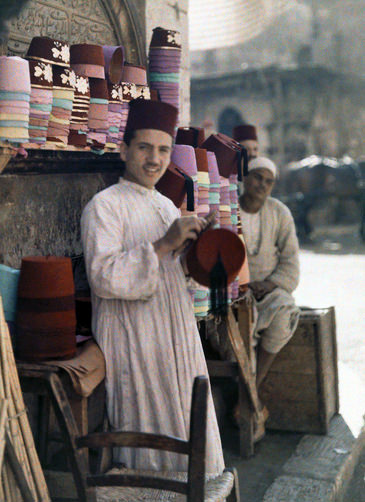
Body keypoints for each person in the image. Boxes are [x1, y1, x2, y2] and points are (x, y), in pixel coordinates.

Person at [81, 98, 224, 474]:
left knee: (189, 424)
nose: (154, 159)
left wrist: (194, 252)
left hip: (174, 329)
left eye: (163, 149)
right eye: (144, 147)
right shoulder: (103, 207)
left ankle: (194, 490)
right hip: (134, 335)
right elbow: (103, 275)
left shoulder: (165, 205)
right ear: (124, 149)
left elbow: (172, 270)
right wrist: (163, 245)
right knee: (151, 427)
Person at [239, 156, 300, 405]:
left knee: (285, 311)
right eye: (257, 177)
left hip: (268, 290)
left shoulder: (279, 213)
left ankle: (253, 386)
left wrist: (268, 284)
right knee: (237, 327)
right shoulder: (227, 208)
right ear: (245, 178)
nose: (262, 185)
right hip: (235, 292)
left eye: (269, 181)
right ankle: (246, 396)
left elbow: (290, 265)